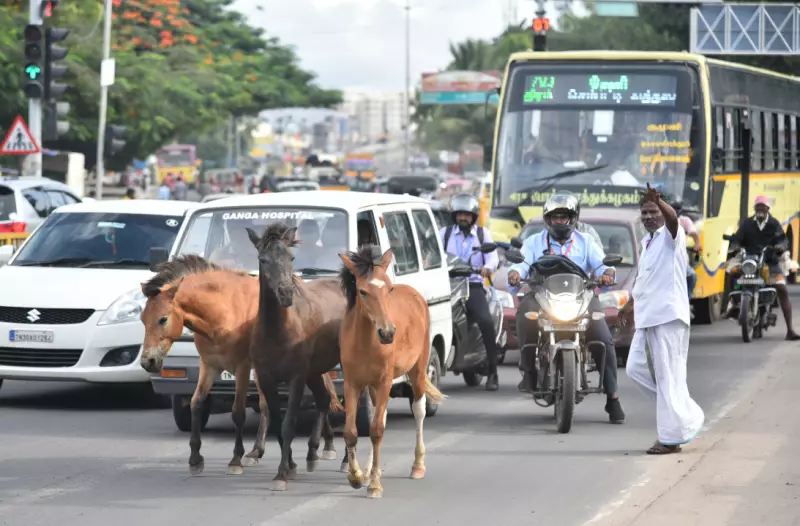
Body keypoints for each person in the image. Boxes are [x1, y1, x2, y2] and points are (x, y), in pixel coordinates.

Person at [508, 192, 626, 423]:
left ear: (573, 218)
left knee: (604, 339)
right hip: (542, 295)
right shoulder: (534, 242)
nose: (560, 221)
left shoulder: (586, 241)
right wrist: (514, 273)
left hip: (581, 296)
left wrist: (607, 274)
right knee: (524, 315)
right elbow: (521, 264)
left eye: (564, 217)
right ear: (548, 219)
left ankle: (612, 396)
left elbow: (603, 266)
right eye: (555, 217)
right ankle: (529, 370)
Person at [619, 184, 704, 454]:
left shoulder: (671, 236)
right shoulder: (648, 242)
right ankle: (684, 412)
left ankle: (670, 438)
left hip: (668, 316)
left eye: (653, 211)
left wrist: (662, 204)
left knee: (668, 378)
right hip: (647, 318)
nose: (647, 216)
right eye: (644, 212)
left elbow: (674, 220)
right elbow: (645, 280)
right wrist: (629, 305)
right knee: (635, 369)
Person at [440, 193, 501, 391]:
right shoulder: (444, 234)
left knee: (486, 322)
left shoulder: (483, 235)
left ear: (473, 216)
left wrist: (487, 268)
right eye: (459, 214)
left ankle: (493, 372)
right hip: (448, 285)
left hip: (472, 286)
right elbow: (433, 254)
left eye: (467, 214)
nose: (463, 218)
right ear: (454, 215)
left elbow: (493, 258)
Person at [723, 195, 800, 340]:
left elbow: (783, 240)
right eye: (758, 206)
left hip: (769, 263)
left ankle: (790, 330)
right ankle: (732, 304)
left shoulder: (774, 224)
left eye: (763, 207)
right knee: (732, 273)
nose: (760, 209)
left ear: (768, 209)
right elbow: (737, 238)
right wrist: (735, 245)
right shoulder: (746, 224)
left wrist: (780, 247)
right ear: (754, 208)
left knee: (782, 288)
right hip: (748, 261)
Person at [672, 200, 701, 301]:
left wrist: (697, 244)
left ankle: (686, 300)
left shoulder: (683, 221)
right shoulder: (662, 222)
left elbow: (693, 233)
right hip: (665, 259)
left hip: (680, 259)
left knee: (692, 276)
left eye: (675, 210)